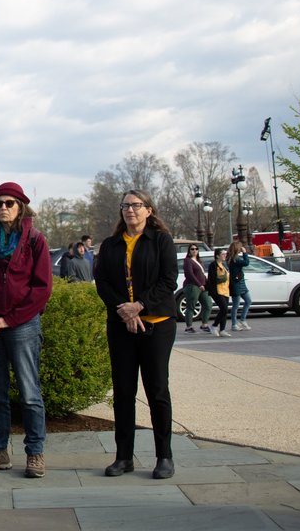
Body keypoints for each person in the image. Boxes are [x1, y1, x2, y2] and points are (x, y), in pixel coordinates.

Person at [0, 183, 53, 479]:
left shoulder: (35, 240)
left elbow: (42, 289)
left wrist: (11, 320)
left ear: (21, 208)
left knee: (29, 393)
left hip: (22, 325)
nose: (3, 207)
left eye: (9, 203)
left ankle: (35, 452)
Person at [95, 189, 178, 479]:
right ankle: (123, 457)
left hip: (157, 324)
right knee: (123, 392)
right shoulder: (111, 245)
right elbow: (102, 281)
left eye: (136, 205)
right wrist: (124, 311)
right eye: (125, 206)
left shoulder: (161, 241)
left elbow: (169, 280)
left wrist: (140, 306)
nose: (130, 210)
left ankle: (164, 456)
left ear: (149, 210)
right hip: (121, 326)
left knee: (157, 390)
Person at [182, 245, 212, 333]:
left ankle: (204, 324)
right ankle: (189, 327)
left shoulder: (199, 261)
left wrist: (207, 284)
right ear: (189, 251)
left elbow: (202, 274)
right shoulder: (188, 261)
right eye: (192, 249)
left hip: (202, 286)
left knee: (208, 304)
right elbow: (190, 274)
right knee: (191, 306)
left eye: (196, 249)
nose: (194, 250)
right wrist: (199, 284)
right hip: (192, 286)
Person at [227, 241, 253, 331]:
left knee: (248, 300)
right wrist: (245, 252)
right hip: (236, 284)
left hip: (241, 283)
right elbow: (246, 263)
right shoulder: (234, 259)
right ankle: (234, 324)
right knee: (236, 305)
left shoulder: (234, 258)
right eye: (240, 247)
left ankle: (242, 319)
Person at [206, 248, 231, 337]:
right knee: (224, 308)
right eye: (223, 254)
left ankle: (222, 329)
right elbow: (212, 278)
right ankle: (214, 326)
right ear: (217, 256)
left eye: (225, 254)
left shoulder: (224, 264)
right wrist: (222, 278)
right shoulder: (213, 265)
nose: (225, 255)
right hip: (217, 291)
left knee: (224, 310)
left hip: (225, 290)